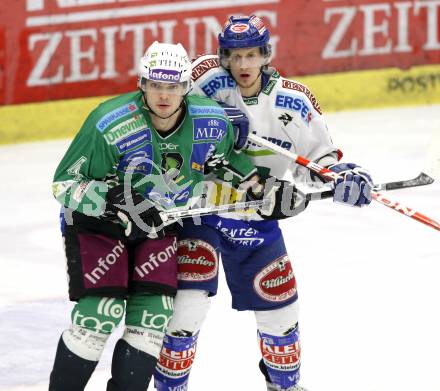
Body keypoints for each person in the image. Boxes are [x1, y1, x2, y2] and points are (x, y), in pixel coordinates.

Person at [153, 15, 374, 391]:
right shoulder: (202, 77)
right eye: (234, 56)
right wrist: (213, 119)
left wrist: (340, 176)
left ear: (265, 54)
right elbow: (162, 109)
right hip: (198, 211)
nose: (243, 65)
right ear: (223, 55)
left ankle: (283, 385)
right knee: (187, 307)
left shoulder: (293, 99)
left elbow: (318, 162)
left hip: (256, 214)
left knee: (280, 308)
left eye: (252, 55)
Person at [48, 41, 274, 391]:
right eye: (156, 85)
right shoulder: (109, 122)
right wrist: (119, 200)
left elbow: (224, 163)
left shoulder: (210, 122)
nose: (163, 95)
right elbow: (65, 185)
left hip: (158, 226)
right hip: (99, 226)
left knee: (152, 322)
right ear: (142, 84)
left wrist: (262, 187)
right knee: (98, 317)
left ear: (185, 87)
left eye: (172, 87)